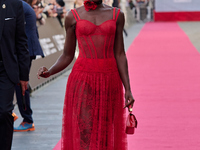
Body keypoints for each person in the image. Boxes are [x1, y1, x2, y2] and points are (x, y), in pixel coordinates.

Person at [37, 0, 135, 149]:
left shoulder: (117, 15)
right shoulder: (72, 16)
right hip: (82, 79)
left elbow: (120, 54)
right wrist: (50, 72)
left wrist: (128, 88)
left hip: (110, 78)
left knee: (106, 128)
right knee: (84, 129)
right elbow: (67, 55)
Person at [0, 0, 30, 148]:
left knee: (4, 111)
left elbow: (21, 40)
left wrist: (24, 75)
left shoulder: (15, 4)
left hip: (4, 68)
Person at [14, 0, 44, 132]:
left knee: (21, 84)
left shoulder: (18, 5)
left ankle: (27, 119)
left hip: (24, 50)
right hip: (26, 49)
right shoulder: (21, 5)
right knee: (16, 82)